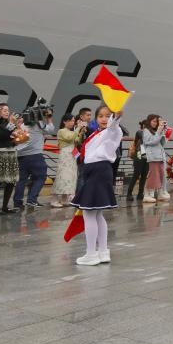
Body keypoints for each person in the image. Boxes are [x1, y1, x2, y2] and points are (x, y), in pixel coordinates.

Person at [71, 105, 122, 265]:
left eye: (108, 116)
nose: (104, 119)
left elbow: (114, 125)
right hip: (96, 171)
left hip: (99, 170)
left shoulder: (113, 131)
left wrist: (117, 116)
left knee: (88, 213)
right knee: (97, 214)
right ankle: (103, 251)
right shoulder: (96, 133)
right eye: (101, 116)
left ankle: (91, 254)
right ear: (96, 118)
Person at [15, 108, 56, 211]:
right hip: (35, 155)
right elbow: (51, 129)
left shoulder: (22, 126)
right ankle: (32, 200)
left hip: (21, 156)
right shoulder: (39, 124)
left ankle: (17, 202)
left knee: (21, 180)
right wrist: (49, 117)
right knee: (41, 177)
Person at [0, 103, 21, 214]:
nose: (7, 112)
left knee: (11, 181)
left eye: (8, 110)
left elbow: (10, 137)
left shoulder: (9, 123)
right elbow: (1, 135)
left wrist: (18, 137)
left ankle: (5, 207)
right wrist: (12, 124)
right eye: (4, 110)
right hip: (1, 153)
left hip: (11, 152)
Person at [52, 114, 83, 207]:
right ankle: (54, 199)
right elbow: (69, 137)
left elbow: (77, 141)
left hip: (71, 156)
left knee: (70, 177)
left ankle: (64, 199)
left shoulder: (71, 131)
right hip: (65, 155)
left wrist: (81, 132)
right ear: (64, 121)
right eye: (70, 121)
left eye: (73, 121)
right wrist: (78, 128)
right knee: (62, 176)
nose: (72, 123)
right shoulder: (61, 131)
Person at [141, 115, 170, 204]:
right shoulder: (146, 131)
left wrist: (164, 132)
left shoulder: (156, 131)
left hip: (160, 156)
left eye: (156, 122)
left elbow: (162, 143)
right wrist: (158, 131)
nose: (155, 123)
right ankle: (146, 195)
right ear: (149, 121)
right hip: (153, 156)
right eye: (153, 121)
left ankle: (160, 193)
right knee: (152, 176)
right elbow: (151, 142)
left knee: (161, 175)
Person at [125, 124, 149, 201]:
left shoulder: (153, 134)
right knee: (136, 175)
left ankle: (140, 194)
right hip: (139, 155)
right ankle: (129, 193)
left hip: (147, 157)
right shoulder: (140, 132)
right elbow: (141, 138)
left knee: (144, 176)